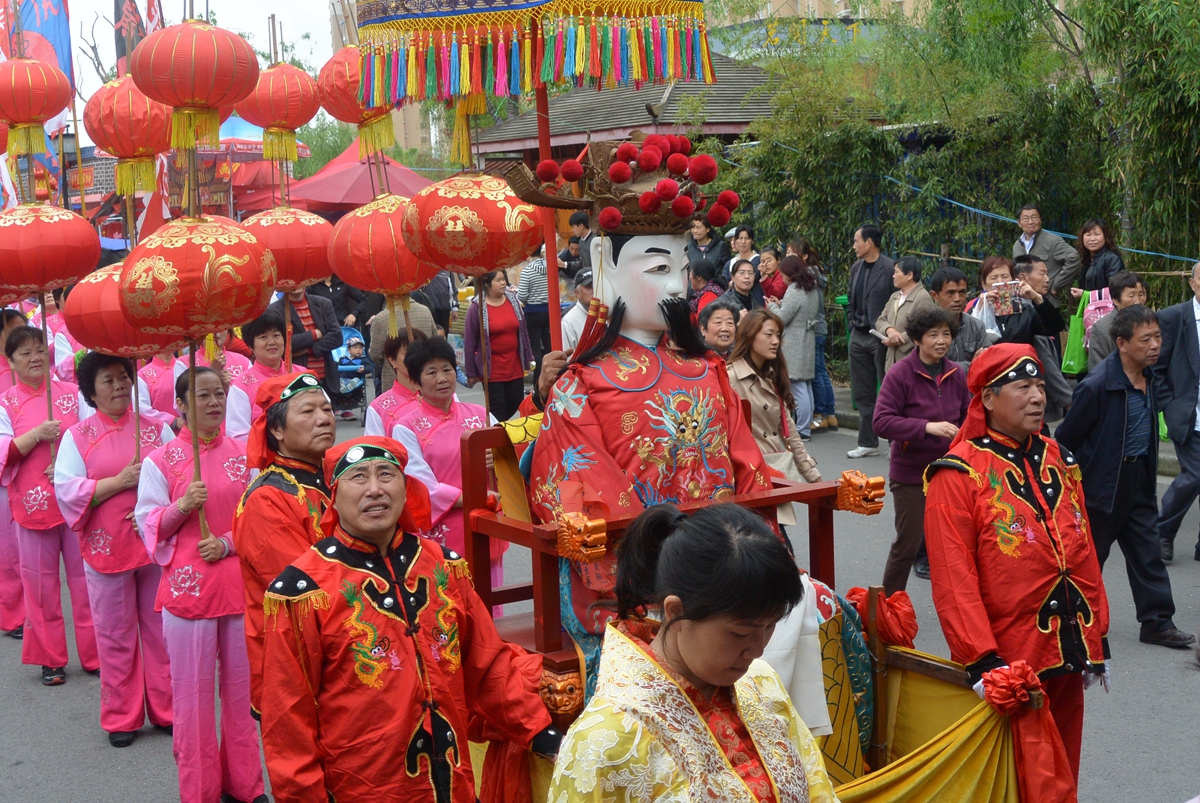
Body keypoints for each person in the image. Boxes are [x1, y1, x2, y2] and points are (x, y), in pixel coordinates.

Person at [259, 435, 561, 802]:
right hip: (365, 787)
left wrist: (543, 736)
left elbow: (488, 664)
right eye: (358, 478)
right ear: (333, 496)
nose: (374, 489)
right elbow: (288, 720)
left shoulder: (442, 565)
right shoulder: (303, 591)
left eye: (386, 475)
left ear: (405, 487)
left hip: (454, 782)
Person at [548, 503, 837, 803]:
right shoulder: (605, 740)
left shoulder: (761, 684)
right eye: (739, 633)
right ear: (676, 612)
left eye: (769, 627)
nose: (758, 648)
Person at [924, 344, 1109, 784]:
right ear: (987, 398)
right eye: (1022, 386)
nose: (1037, 397)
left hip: (1068, 643)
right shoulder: (958, 472)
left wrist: (1096, 630)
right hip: (1010, 658)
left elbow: (1083, 549)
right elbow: (954, 578)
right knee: (1018, 776)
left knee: (1063, 766)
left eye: (1041, 386)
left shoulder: (1059, 458)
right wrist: (982, 660)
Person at [135, 367, 264, 803]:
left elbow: (256, 519)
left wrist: (227, 542)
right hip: (188, 594)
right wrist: (181, 507)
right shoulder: (160, 461)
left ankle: (246, 786)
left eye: (219, 393)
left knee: (242, 696)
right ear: (181, 405)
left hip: (237, 586)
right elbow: (147, 524)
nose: (213, 402)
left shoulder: (245, 455)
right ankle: (200, 791)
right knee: (191, 703)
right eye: (203, 395)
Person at [1056, 306, 1195, 648]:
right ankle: (1073, 624)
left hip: (1139, 480)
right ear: (1122, 343)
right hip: (1102, 486)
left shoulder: (1150, 377)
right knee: (1090, 559)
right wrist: (1081, 482)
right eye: (1145, 339)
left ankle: (1157, 623)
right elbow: (1065, 440)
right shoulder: (1099, 384)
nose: (1155, 345)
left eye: (1158, 337)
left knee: (1148, 554)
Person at [54, 353, 174, 746]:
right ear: (90, 391)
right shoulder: (77, 436)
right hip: (106, 550)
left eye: (124, 377)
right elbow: (68, 491)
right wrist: (120, 482)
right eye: (108, 380)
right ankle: (121, 716)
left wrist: (150, 512)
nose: (120, 385)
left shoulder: (158, 430)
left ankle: (167, 708)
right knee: (115, 635)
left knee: (160, 632)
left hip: (153, 546)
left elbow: (182, 477)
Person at [232, 372, 336, 717]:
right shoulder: (267, 498)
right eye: (307, 412)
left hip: (343, 650)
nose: (323, 418)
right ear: (276, 429)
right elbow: (307, 590)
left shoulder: (335, 480)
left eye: (327, 409)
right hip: (296, 664)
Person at [0, 327, 97, 686]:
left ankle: (94, 654)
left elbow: (92, 437)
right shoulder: (6, 403)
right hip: (31, 504)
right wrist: (36, 436)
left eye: (40, 349)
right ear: (10, 362)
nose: (35, 357)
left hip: (74, 502)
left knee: (85, 583)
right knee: (40, 587)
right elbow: (3, 449)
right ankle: (50, 658)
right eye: (24, 353)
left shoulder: (72, 394)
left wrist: (69, 463)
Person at [391, 337, 506, 593]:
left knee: (490, 601)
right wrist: (478, 497)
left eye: (447, 369)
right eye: (431, 372)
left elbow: (512, 463)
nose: (442, 378)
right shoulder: (406, 428)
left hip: (488, 523)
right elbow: (421, 486)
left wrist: (498, 462)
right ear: (414, 381)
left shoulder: (481, 414)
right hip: (443, 532)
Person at [872, 307, 969, 593]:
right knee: (908, 543)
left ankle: (956, 604)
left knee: (952, 544)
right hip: (911, 474)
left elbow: (967, 416)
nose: (941, 341)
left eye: (946, 334)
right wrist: (926, 427)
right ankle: (888, 606)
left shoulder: (956, 372)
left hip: (949, 471)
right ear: (916, 339)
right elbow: (881, 421)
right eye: (933, 335)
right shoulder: (900, 374)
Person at [727, 309, 820, 483]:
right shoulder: (730, 378)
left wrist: (814, 477)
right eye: (769, 334)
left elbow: (790, 433)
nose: (775, 341)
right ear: (750, 336)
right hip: (746, 477)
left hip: (775, 473)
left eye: (778, 335)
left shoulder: (771, 377)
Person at [1151, 262, 1200, 563]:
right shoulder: (1172, 318)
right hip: (1188, 413)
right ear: (1193, 283)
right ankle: (1163, 531)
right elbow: (1156, 367)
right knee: (1195, 474)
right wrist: (1168, 404)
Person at [846, 223, 895, 458]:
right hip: (858, 335)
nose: (854, 246)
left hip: (881, 337)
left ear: (869, 243)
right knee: (863, 390)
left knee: (888, 387)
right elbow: (850, 300)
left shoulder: (889, 268)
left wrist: (889, 332)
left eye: (857, 241)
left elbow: (896, 301)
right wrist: (851, 326)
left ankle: (895, 441)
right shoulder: (856, 268)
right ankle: (867, 441)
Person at [463, 269, 535, 422]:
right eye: (498, 280)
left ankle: (498, 429)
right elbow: (470, 342)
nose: (503, 283)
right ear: (487, 284)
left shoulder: (513, 301)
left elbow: (523, 333)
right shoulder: (476, 307)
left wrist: (529, 357)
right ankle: (497, 438)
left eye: (504, 279)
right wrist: (471, 372)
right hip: (492, 369)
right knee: (497, 407)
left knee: (516, 402)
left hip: (514, 364)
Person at [768, 255, 822, 439]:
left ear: (791, 274)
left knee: (797, 386)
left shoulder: (794, 290)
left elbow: (783, 318)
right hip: (806, 339)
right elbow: (799, 309)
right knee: (805, 385)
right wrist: (781, 303)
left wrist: (772, 307)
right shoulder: (811, 288)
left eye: (783, 275)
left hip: (793, 341)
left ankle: (802, 429)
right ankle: (805, 426)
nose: (782, 278)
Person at [789, 239, 837, 433]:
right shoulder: (816, 273)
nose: (789, 258)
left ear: (805, 256)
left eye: (793, 254)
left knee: (815, 373)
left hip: (812, 328)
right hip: (819, 326)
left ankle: (820, 414)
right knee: (820, 371)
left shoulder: (806, 275)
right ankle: (829, 414)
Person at [269, 288, 343, 398]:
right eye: (292, 279)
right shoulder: (274, 310)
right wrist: (313, 334)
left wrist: (310, 349)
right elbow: (283, 343)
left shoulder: (323, 304)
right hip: (296, 379)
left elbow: (337, 337)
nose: (296, 283)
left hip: (325, 378)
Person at [233, 312, 308, 421]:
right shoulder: (242, 385)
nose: (271, 342)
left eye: (276, 335)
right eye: (263, 337)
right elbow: (238, 432)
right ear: (250, 345)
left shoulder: (302, 374)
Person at [876, 256, 937, 370]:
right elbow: (880, 320)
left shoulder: (922, 297)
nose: (893, 276)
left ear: (909, 275)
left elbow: (923, 327)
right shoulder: (894, 297)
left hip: (911, 362)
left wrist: (896, 340)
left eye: (896, 272)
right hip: (892, 362)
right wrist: (889, 330)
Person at [928, 266, 996, 370]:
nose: (957, 299)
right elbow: (932, 368)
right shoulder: (926, 327)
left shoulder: (976, 326)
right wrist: (971, 366)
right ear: (935, 296)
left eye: (962, 292)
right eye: (950, 293)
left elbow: (989, 362)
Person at [1012, 205, 1080, 306]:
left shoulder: (1052, 241)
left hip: (1047, 301)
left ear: (1040, 220)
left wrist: (1056, 286)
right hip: (1024, 303)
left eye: (1034, 217)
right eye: (1026, 218)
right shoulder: (1017, 245)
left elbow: (1075, 258)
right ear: (1019, 223)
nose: (1030, 221)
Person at [365, 329, 427, 438]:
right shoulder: (378, 408)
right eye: (408, 352)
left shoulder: (444, 397)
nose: (416, 358)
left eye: (421, 352)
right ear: (392, 360)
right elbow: (376, 451)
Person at [368, 297, 436, 388]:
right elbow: (435, 344)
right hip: (425, 379)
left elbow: (375, 355)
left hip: (394, 378)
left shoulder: (381, 318)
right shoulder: (425, 312)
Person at [1087, 271, 1147, 370]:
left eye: (1141, 295)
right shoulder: (1102, 328)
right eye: (1131, 296)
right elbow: (1096, 370)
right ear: (1115, 299)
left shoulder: (1151, 324)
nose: (1138, 301)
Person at [517, 244, 553, 382]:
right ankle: (552, 379)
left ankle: (538, 381)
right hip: (549, 312)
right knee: (549, 347)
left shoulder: (527, 271)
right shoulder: (550, 268)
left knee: (536, 349)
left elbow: (522, 297)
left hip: (532, 313)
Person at [1070, 218, 1126, 295]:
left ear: (1105, 237)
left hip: (1108, 306)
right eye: (1088, 234)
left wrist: (1086, 295)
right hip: (1092, 306)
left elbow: (1116, 290)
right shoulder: (1087, 259)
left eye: (1097, 234)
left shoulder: (1112, 259)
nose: (1092, 239)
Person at [561, 269, 593, 353]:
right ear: (577, 292)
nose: (594, 290)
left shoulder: (610, 314)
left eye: (598, 285)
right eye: (589, 287)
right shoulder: (568, 322)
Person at [424, 269, 459, 335]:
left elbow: (454, 291)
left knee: (443, 335)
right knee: (429, 336)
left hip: (444, 311)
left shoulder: (448, 270)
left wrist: (455, 308)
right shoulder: (426, 267)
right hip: (428, 311)